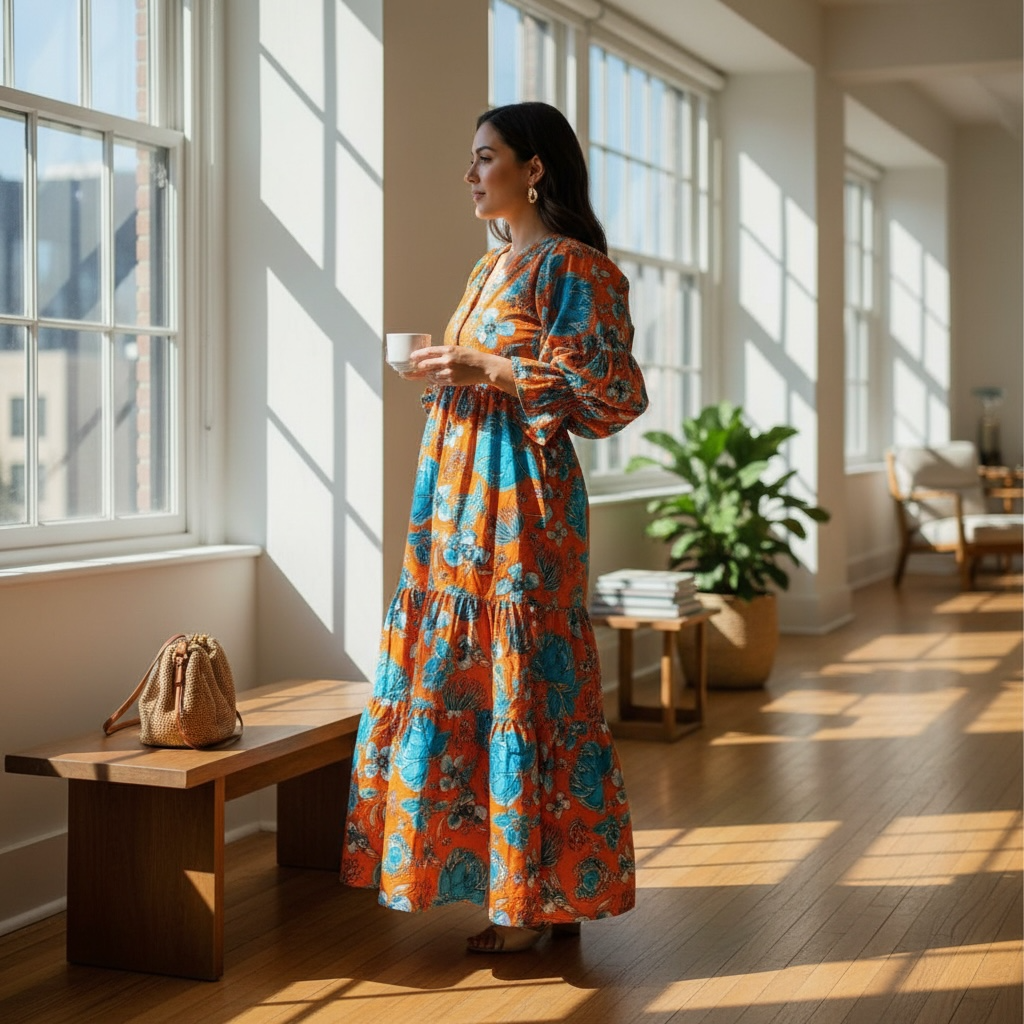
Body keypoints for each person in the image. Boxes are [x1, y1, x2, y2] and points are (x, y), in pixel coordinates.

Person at [341, 101, 649, 954]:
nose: (471, 174)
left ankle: (533, 903)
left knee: (526, 687)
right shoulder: (489, 270)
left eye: (486, 158)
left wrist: (492, 368)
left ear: (534, 168)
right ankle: (522, 893)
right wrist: (452, 372)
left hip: (524, 506)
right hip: (455, 499)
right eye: (472, 159)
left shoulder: (575, 268)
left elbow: (615, 399)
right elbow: (488, 377)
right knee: (465, 683)